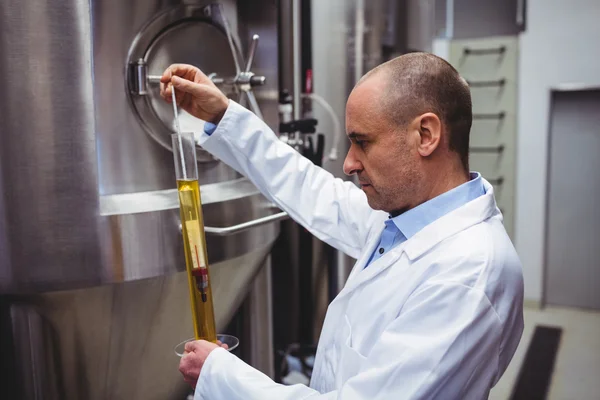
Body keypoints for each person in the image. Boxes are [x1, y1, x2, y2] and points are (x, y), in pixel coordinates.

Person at [160, 52, 524, 400]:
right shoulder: (406, 217)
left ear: (426, 135)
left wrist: (220, 375)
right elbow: (310, 189)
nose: (349, 163)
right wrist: (224, 116)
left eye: (362, 142)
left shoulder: (468, 274)